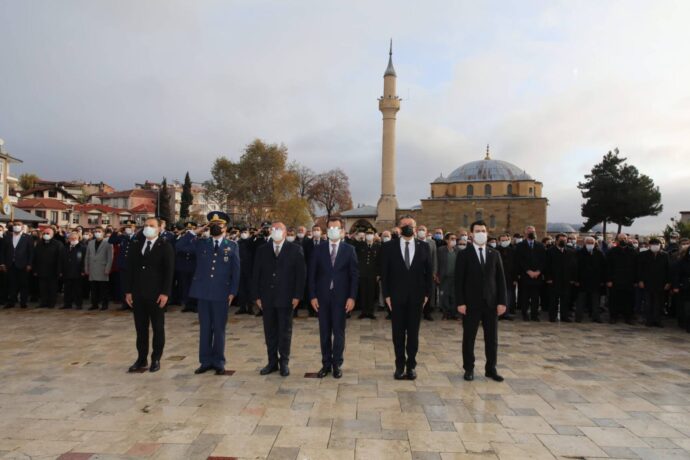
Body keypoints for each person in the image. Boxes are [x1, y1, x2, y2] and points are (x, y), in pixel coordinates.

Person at [177, 212, 240, 375]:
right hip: (203, 293)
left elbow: (236, 271)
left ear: (225, 228)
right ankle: (205, 361)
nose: (215, 228)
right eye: (212, 225)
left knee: (219, 329)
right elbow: (179, 246)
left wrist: (233, 292)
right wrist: (195, 231)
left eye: (219, 225)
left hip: (222, 293)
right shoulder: (201, 243)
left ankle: (218, 361)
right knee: (205, 328)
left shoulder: (232, 246)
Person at [381, 215, 433, 380]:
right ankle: (399, 365)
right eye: (404, 225)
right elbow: (385, 273)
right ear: (399, 228)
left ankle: (411, 366)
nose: (407, 227)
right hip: (396, 297)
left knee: (413, 333)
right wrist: (387, 295)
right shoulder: (389, 246)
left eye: (410, 225)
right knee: (397, 334)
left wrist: (427, 294)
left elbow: (428, 273)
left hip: (417, 298)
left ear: (416, 227)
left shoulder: (424, 247)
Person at [251, 221, 306, 377]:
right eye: (273, 229)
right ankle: (272, 362)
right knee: (270, 332)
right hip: (267, 298)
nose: (275, 231)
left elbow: (301, 275)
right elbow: (256, 274)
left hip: (286, 298)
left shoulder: (295, 249)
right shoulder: (262, 250)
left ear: (284, 232)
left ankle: (284, 363)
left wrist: (297, 296)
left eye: (278, 229)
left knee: (285, 332)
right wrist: (256, 296)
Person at [455, 220, 507, 382]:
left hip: (491, 304)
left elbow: (500, 280)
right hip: (470, 304)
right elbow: (459, 281)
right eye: (477, 230)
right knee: (469, 337)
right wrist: (460, 302)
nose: (481, 233)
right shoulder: (464, 254)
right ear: (471, 234)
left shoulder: (494, 254)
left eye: (483, 230)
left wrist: (502, 302)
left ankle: (491, 369)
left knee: (492, 338)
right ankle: (468, 368)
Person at [308, 217, 358, 378]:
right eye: (330, 228)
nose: (333, 230)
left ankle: (337, 364)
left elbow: (354, 276)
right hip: (322, 298)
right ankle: (326, 364)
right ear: (326, 230)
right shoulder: (319, 249)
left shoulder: (349, 250)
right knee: (324, 332)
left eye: (336, 228)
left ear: (342, 231)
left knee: (339, 332)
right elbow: (312, 275)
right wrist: (313, 296)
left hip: (341, 298)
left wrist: (352, 297)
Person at [122, 218, 174, 373]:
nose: (148, 228)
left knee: (158, 328)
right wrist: (128, 291)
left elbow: (169, 272)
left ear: (159, 228)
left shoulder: (165, 246)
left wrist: (165, 293)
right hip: (138, 294)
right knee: (141, 328)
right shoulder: (136, 244)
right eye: (146, 226)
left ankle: (156, 358)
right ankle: (141, 358)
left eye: (152, 226)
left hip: (157, 295)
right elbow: (129, 269)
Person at [515, 225, 546, 321]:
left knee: (536, 298)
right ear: (525, 233)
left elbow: (543, 260)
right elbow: (520, 260)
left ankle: (534, 315)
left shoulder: (540, 245)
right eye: (529, 231)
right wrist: (528, 271)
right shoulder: (520, 246)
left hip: (537, 276)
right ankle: (525, 314)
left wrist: (538, 271)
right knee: (524, 297)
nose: (531, 233)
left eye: (533, 231)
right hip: (525, 276)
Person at [638, 238, 671, 327]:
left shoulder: (665, 255)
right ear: (649, 245)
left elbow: (668, 269)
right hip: (647, 282)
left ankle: (657, 320)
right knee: (648, 303)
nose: (655, 246)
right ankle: (649, 320)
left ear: (660, 245)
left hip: (661, 283)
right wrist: (640, 280)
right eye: (653, 244)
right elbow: (640, 269)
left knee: (659, 303)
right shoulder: (643, 255)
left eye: (657, 244)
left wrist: (668, 282)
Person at [0, 220, 33, 309]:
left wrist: (29, 264)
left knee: (23, 284)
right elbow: (2, 251)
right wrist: (2, 263)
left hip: (23, 264)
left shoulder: (27, 238)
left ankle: (23, 302)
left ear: (22, 227)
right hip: (10, 264)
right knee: (11, 284)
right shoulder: (7, 237)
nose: (16, 226)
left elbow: (30, 252)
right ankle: (11, 302)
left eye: (18, 225)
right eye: (15, 225)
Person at [544, 233, 577, 322]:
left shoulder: (571, 251)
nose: (563, 242)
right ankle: (552, 316)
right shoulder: (550, 251)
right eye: (561, 240)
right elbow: (547, 266)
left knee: (566, 300)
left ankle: (564, 316)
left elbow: (574, 266)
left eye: (565, 240)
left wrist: (573, 279)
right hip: (554, 280)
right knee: (553, 299)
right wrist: (548, 278)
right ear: (556, 240)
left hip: (566, 280)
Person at [606, 233, 638, 324]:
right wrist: (609, 280)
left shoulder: (633, 252)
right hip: (615, 280)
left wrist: (636, 280)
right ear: (617, 240)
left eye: (624, 238)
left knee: (629, 300)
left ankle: (628, 317)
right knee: (614, 300)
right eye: (621, 238)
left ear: (627, 239)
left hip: (629, 280)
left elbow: (636, 267)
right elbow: (608, 267)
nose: (623, 240)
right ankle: (613, 317)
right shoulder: (612, 251)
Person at [108, 220, 140, 310]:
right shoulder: (122, 237)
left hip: (133, 266)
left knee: (133, 285)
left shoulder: (138, 237)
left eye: (130, 227)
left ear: (134, 228)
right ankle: (125, 303)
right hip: (122, 265)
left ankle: (133, 304)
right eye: (127, 227)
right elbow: (111, 241)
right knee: (123, 285)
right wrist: (116, 231)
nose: (128, 229)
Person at [574, 236, 606, 323]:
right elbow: (575, 268)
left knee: (596, 301)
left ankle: (596, 316)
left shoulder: (599, 253)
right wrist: (576, 280)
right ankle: (578, 317)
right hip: (582, 281)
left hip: (595, 281)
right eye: (588, 243)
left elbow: (603, 268)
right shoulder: (579, 253)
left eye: (592, 243)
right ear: (584, 243)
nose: (590, 244)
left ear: (595, 243)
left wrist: (602, 280)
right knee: (580, 300)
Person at [32, 227, 65, 308]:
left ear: (52, 235)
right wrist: (35, 270)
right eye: (44, 233)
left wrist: (59, 270)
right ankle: (43, 302)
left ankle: (51, 303)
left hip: (53, 271)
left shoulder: (58, 244)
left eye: (48, 233)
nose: (46, 235)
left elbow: (60, 258)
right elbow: (35, 257)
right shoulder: (39, 243)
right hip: (41, 270)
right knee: (42, 288)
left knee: (52, 288)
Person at [85, 226, 113, 311]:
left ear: (103, 233)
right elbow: (87, 256)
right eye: (96, 231)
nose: (97, 233)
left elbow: (110, 257)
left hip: (102, 269)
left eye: (99, 231)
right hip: (93, 269)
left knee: (103, 289)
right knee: (93, 289)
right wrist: (86, 268)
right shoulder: (90, 243)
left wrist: (108, 268)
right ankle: (94, 304)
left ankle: (105, 305)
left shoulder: (108, 243)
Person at [355, 228, 380, 319]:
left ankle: (370, 312)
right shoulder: (360, 246)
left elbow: (379, 262)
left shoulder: (378, 246)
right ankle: (363, 312)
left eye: (371, 234)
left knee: (371, 293)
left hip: (373, 274)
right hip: (362, 273)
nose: (369, 235)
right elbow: (356, 259)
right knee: (363, 293)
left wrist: (378, 274)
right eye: (367, 234)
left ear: (374, 236)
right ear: (365, 236)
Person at [175, 222, 198, 313]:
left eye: (192, 228)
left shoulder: (198, 240)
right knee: (184, 286)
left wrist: (186, 249)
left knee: (194, 286)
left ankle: (194, 304)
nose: (190, 230)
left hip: (194, 267)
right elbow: (177, 248)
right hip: (183, 267)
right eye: (188, 228)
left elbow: (196, 251)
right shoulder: (181, 239)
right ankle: (187, 304)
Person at [417, 225, 438, 321]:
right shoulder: (413, 241)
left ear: (426, 232)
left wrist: (434, 272)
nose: (421, 231)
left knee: (428, 292)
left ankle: (427, 313)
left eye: (423, 230)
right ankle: (417, 312)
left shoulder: (432, 242)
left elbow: (434, 257)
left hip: (428, 272)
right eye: (419, 230)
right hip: (417, 272)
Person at [437, 232, 459, 320]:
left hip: (455, 277)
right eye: (452, 239)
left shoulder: (458, 251)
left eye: (455, 239)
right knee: (444, 295)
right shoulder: (441, 250)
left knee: (454, 296)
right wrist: (437, 275)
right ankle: (446, 313)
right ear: (447, 240)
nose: (454, 241)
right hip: (444, 277)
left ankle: (454, 313)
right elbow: (437, 262)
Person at [63, 231, 86, 309]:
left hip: (78, 272)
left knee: (78, 290)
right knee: (67, 289)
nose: (73, 240)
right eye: (71, 238)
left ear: (78, 238)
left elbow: (84, 260)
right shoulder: (65, 247)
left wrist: (83, 270)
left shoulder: (82, 248)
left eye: (75, 238)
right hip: (67, 271)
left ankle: (78, 304)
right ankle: (67, 304)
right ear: (69, 239)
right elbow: (61, 259)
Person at [496, 233, 517, 320]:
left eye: (506, 240)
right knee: (498, 296)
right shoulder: (495, 251)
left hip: (510, 278)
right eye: (502, 240)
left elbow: (516, 265)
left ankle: (506, 313)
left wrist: (515, 278)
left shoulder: (513, 251)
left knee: (509, 296)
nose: (504, 242)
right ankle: (498, 313)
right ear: (499, 241)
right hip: (497, 278)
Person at [673, 245, 690, 332]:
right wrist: (676, 286)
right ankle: (685, 324)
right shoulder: (681, 262)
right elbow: (677, 275)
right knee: (686, 308)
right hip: (685, 288)